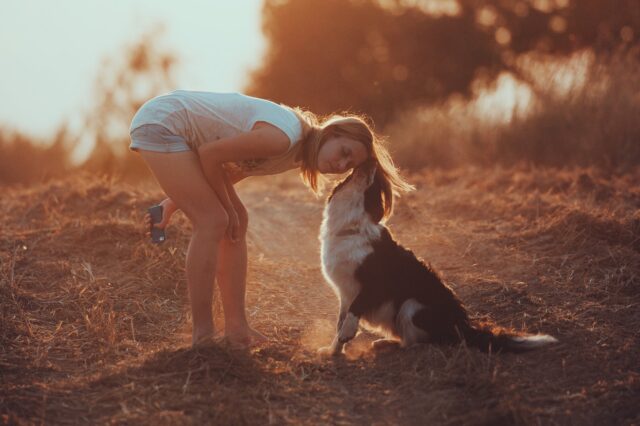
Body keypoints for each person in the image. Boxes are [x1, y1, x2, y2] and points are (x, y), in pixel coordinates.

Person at [129, 90, 413, 347]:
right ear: (332, 132)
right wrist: (227, 209)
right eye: (344, 152)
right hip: (163, 123)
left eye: (348, 165)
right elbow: (210, 154)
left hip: (175, 129)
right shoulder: (284, 138)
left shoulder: (293, 152)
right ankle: (203, 336)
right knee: (215, 220)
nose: (340, 165)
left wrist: (171, 204)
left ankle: (236, 329)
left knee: (235, 221)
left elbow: (228, 172)